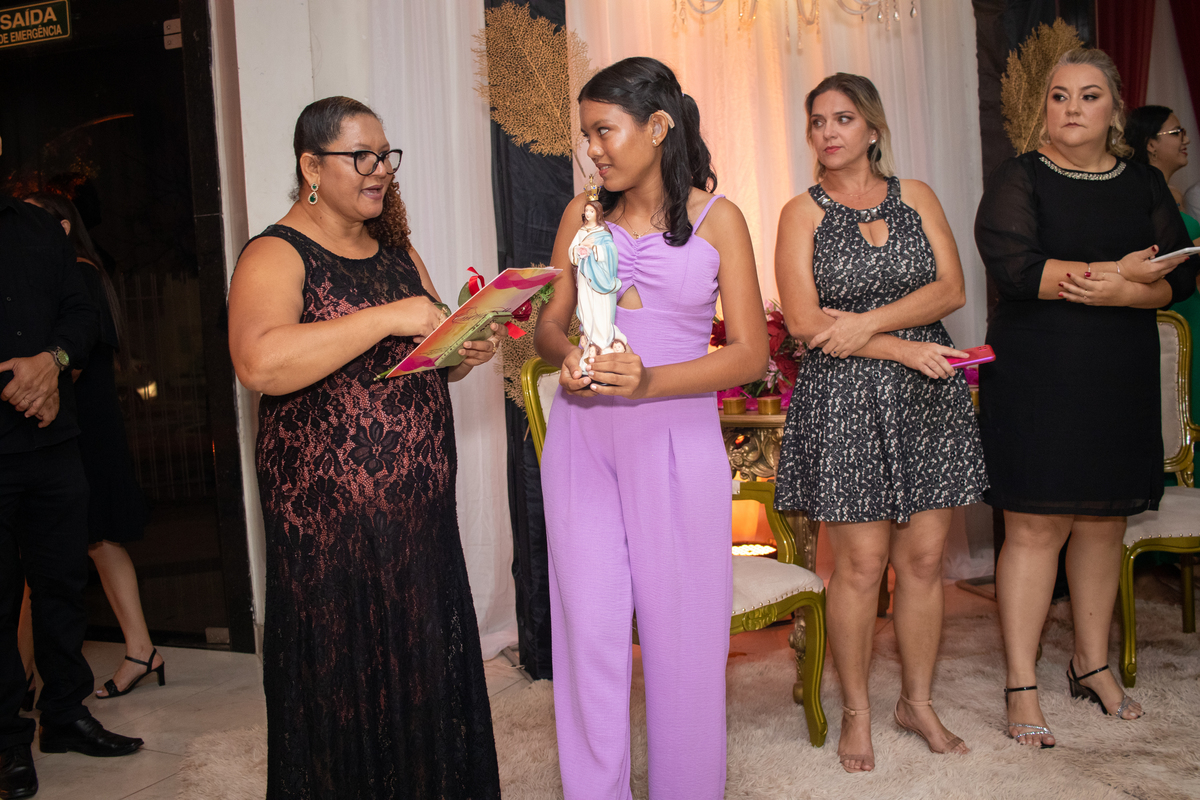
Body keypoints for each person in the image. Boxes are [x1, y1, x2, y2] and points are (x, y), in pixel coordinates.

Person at [227, 97, 501, 799]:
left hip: (417, 522)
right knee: (343, 685)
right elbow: (259, 362)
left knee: (421, 674)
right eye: (362, 157)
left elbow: (429, 354)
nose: (381, 170)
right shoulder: (274, 252)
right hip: (330, 532)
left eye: (385, 156)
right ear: (311, 167)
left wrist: (464, 349)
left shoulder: (397, 253)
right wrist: (387, 317)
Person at [534, 57, 768, 800]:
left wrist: (650, 381)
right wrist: (567, 355)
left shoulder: (719, 219)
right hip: (583, 444)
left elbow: (751, 354)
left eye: (604, 131)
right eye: (586, 135)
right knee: (590, 635)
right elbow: (548, 324)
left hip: (676, 444)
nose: (592, 149)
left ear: (658, 126)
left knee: (684, 642)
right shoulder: (581, 216)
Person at [974, 48, 1196, 749]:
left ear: (1115, 110)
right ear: (1045, 108)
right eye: (1060, 95)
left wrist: (1125, 291)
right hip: (1038, 373)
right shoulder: (1020, 177)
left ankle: (1090, 663)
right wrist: (1116, 274)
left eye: (1089, 95)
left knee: (1104, 524)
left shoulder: (1143, 182)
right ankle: (1021, 681)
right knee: (1036, 528)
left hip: (1116, 373)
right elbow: (1017, 268)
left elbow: (1178, 278)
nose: (1072, 107)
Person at [772, 73, 988, 773]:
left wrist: (864, 324)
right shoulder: (800, 213)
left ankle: (916, 702)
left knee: (923, 562)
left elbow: (952, 289)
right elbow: (804, 323)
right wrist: (898, 345)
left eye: (842, 118)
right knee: (861, 567)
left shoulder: (916, 195)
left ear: (872, 128)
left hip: (927, 397)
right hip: (847, 399)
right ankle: (858, 711)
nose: (828, 132)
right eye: (817, 121)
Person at [1, 139, 143, 800]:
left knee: (60, 585)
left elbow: (81, 311)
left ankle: (64, 715)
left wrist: (52, 362)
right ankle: (7, 742)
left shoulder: (37, 227)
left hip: (54, 444)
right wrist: (20, 381)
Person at [21, 192, 157, 700]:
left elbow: (69, 366)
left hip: (82, 430)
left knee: (90, 541)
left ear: (61, 227)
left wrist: (33, 383)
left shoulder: (79, 274)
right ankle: (27, 674)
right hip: (80, 428)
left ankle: (26, 677)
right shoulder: (76, 273)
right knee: (82, 545)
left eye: (32, 220)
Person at [569, 199, 627, 371]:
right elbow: (572, 252)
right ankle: (592, 346)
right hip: (585, 278)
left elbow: (611, 252)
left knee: (601, 310)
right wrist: (580, 249)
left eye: (591, 211)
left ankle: (604, 343)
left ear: (598, 213)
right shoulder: (581, 231)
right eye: (586, 211)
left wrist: (594, 250)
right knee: (587, 309)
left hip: (600, 278)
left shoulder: (603, 233)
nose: (588, 214)